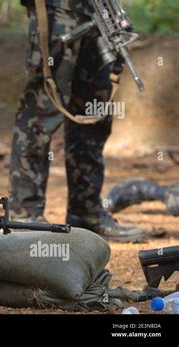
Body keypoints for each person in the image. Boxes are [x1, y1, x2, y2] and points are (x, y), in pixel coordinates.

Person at [8, 0, 144, 242]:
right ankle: (25, 216)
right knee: (41, 109)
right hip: (57, 9)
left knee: (94, 112)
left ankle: (85, 212)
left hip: (100, 11)